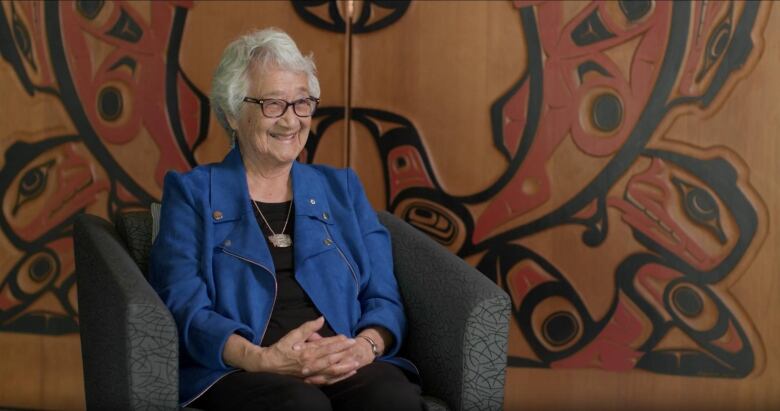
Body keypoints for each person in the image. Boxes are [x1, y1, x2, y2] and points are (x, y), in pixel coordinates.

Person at [149, 28, 423, 410]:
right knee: (301, 406)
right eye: (273, 104)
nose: (291, 121)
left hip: (341, 359)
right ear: (231, 111)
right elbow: (183, 304)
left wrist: (364, 347)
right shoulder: (193, 193)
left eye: (302, 103)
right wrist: (261, 359)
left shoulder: (342, 188)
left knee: (393, 399)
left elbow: (383, 296)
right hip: (244, 369)